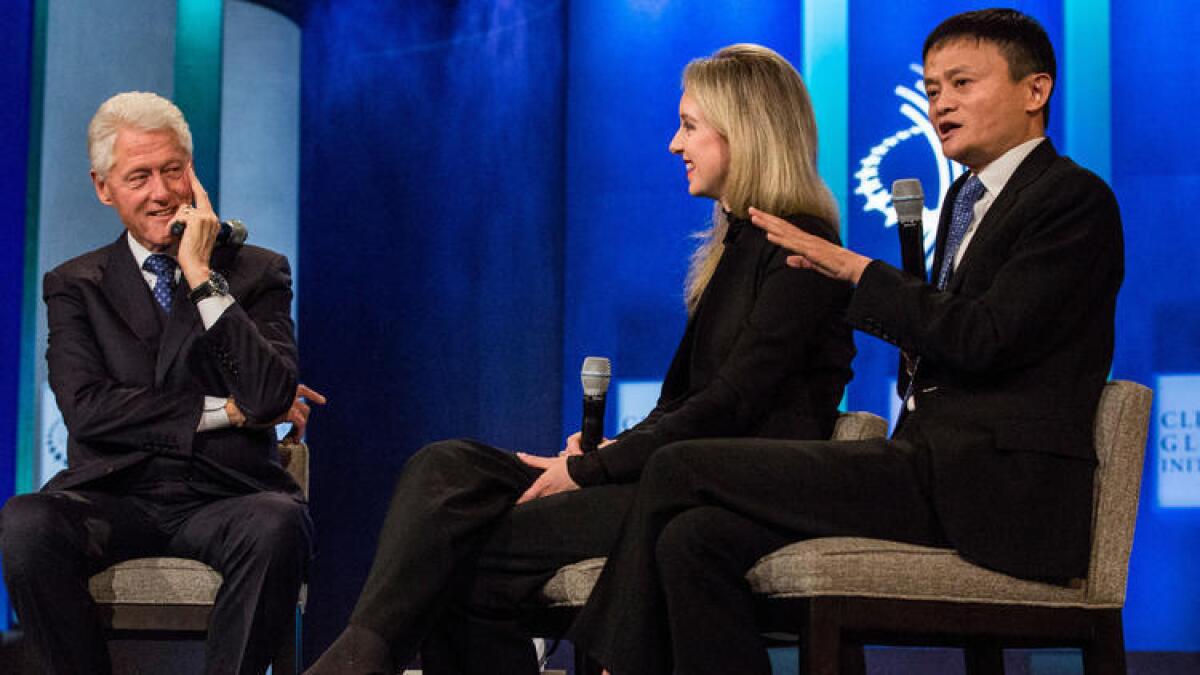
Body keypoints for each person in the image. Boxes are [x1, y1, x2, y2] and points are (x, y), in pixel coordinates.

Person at [568, 9, 1124, 675]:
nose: (940, 101)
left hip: (1000, 493)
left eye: (961, 83)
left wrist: (858, 272)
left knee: (680, 466)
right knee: (695, 538)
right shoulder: (963, 204)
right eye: (932, 87)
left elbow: (986, 338)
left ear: (1035, 91)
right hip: (929, 470)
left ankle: (602, 661)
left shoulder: (1073, 200)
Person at [304, 44, 855, 675]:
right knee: (446, 467)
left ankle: (359, 663)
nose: (675, 145)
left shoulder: (802, 247)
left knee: (465, 551)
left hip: (719, 491)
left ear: (746, 130)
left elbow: (732, 404)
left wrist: (596, 471)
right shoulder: (735, 244)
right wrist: (602, 455)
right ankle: (362, 654)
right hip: (667, 469)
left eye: (690, 127)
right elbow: (689, 405)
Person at [0, 91, 324, 675]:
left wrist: (202, 277)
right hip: (113, 493)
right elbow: (89, 411)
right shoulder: (75, 284)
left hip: (226, 494)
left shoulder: (255, 271)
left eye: (173, 170)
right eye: (139, 176)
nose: (161, 192)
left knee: (279, 524)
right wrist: (227, 411)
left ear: (192, 173)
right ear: (104, 188)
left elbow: (271, 396)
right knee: (26, 524)